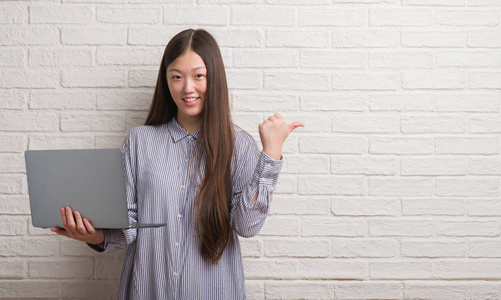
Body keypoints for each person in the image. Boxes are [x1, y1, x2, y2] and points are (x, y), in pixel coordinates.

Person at [51, 28, 304, 299]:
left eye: (198, 76)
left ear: (214, 78)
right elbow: (128, 226)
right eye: (176, 77)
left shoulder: (239, 146)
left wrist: (271, 154)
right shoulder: (139, 142)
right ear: (166, 81)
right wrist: (95, 236)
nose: (187, 88)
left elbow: (247, 226)